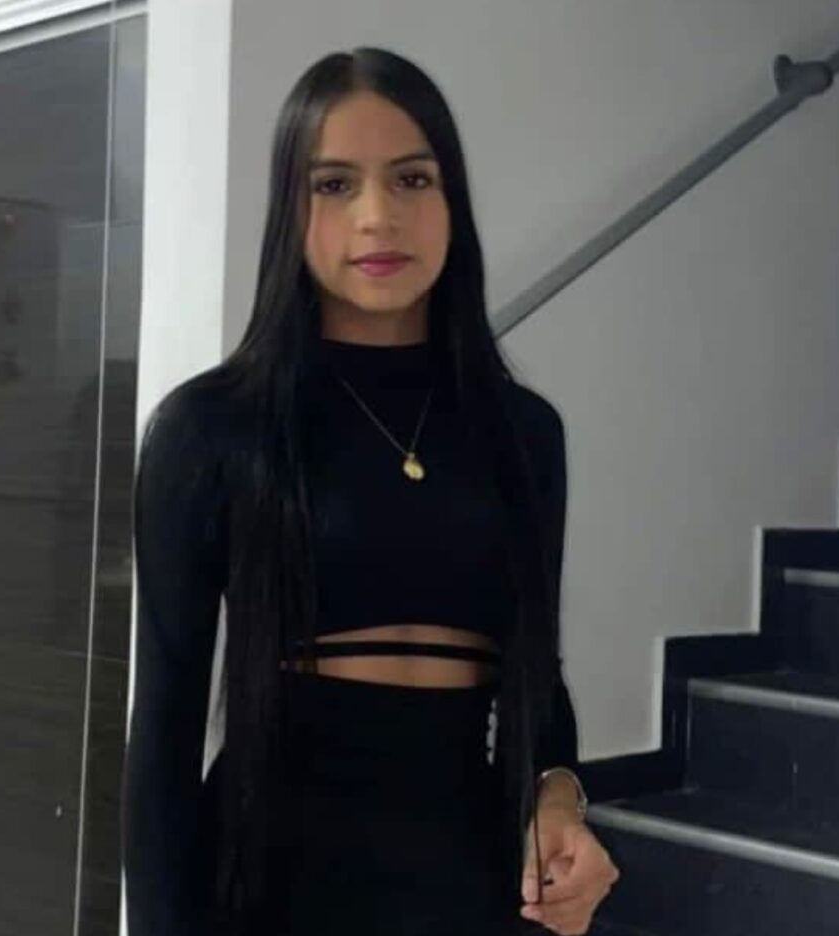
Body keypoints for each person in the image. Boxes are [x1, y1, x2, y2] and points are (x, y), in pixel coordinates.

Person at [121, 45, 619, 936]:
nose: (379, 216)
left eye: (413, 179)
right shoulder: (211, 429)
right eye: (335, 185)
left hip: (468, 878)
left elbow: (535, 679)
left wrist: (559, 800)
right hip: (271, 881)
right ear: (291, 209)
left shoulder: (524, 432)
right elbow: (163, 730)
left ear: (453, 201)